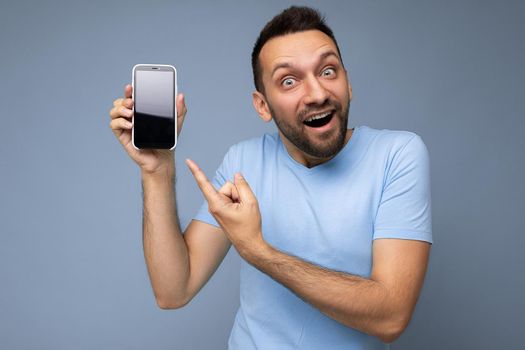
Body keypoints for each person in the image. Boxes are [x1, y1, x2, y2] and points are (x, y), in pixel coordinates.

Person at [109, 6, 432, 349]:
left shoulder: (398, 155)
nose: (318, 93)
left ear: (348, 84)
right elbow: (174, 290)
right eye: (289, 81)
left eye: (328, 70)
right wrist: (156, 171)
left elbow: (391, 316)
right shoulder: (243, 161)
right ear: (262, 106)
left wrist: (258, 251)